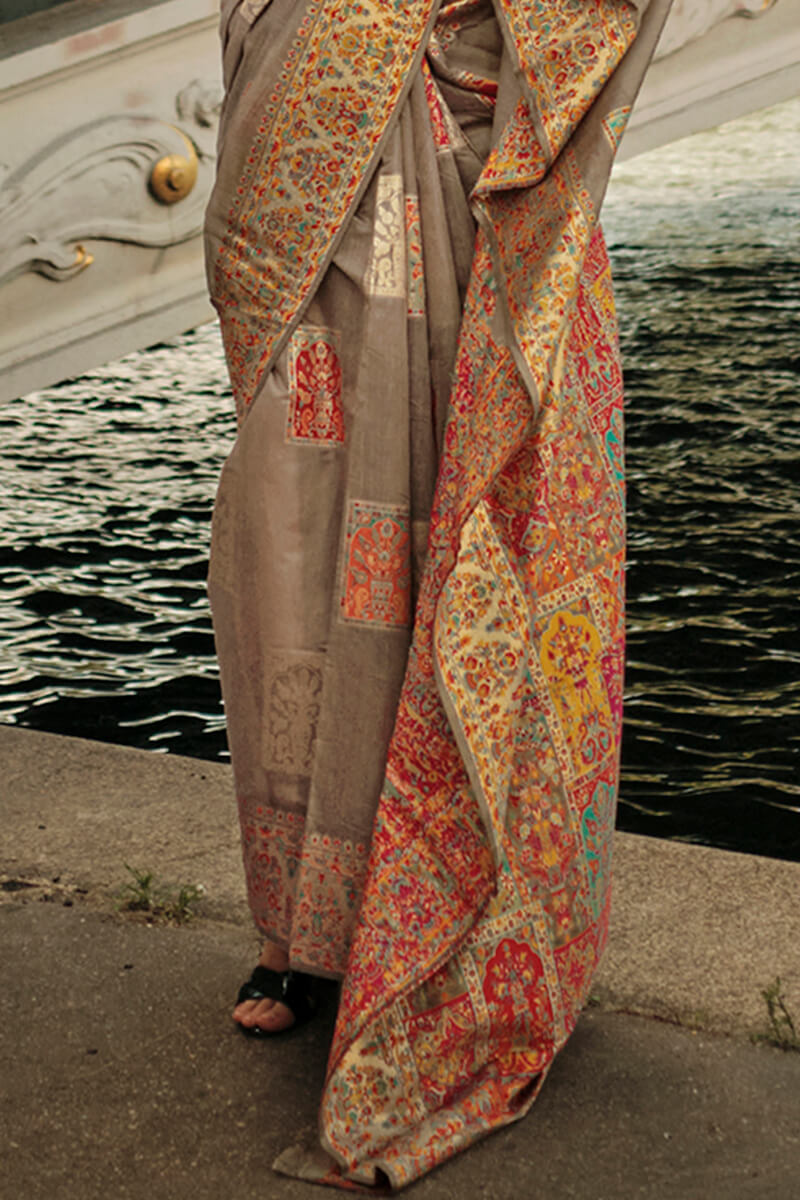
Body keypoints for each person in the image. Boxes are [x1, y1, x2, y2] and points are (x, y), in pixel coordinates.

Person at [204, 0, 672, 1187]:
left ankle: (427, 931)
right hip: (308, 202)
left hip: (477, 203)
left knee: (465, 562)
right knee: (286, 559)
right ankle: (299, 934)